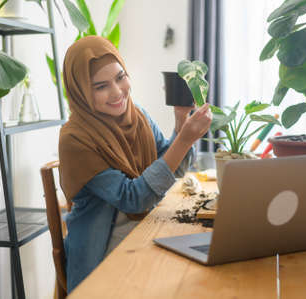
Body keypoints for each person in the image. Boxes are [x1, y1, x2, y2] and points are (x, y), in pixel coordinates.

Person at [58, 36, 212, 292]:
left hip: (145, 230)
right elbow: (133, 198)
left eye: (120, 77)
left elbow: (171, 165)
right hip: (104, 252)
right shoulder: (75, 138)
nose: (118, 92)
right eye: (100, 86)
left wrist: (179, 125)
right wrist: (184, 140)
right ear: (81, 91)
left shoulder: (136, 113)